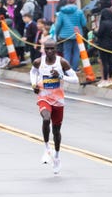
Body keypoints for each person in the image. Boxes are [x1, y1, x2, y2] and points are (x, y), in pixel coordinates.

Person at [30, 39, 78, 174]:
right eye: (47, 49)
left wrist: (61, 76)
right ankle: (46, 148)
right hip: (43, 97)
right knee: (46, 119)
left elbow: (76, 80)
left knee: (56, 131)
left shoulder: (61, 62)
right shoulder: (39, 62)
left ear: (56, 49)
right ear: (44, 49)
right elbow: (32, 72)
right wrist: (34, 84)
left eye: (52, 49)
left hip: (58, 100)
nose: (49, 51)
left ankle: (56, 156)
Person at [54, 0, 86, 71]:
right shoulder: (79, 12)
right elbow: (84, 23)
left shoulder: (62, 12)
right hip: (77, 34)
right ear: (75, 2)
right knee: (76, 52)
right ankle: (74, 69)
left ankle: (67, 69)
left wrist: (57, 34)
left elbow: (58, 24)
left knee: (67, 52)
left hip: (65, 35)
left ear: (67, 1)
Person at [95, 0, 112, 88]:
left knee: (104, 63)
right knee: (110, 62)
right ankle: (110, 79)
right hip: (111, 45)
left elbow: (99, 34)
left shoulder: (103, 23)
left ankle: (104, 80)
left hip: (103, 45)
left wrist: (94, 32)